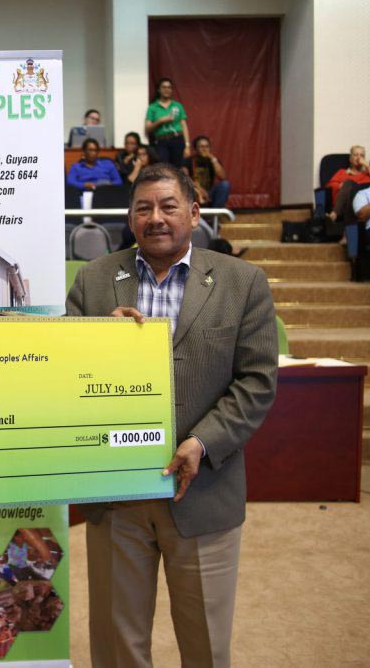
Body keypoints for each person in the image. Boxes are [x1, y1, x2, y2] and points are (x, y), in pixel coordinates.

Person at [66, 162, 278, 668]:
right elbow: (63, 371)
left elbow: (257, 381)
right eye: (143, 207)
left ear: (194, 212)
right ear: (130, 216)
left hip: (203, 491)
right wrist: (98, 339)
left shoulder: (242, 281)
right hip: (118, 495)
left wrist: (202, 443)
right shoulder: (94, 280)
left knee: (205, 642)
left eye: (168, 206)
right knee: (119, 646)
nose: (155, 218)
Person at [145, 77, 191, 167]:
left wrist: (187, 146)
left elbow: (184, 126)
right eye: (164, 87)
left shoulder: (178, 105)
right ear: (159, 89)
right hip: (161, 141)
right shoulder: (153, 107)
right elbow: (147, 128)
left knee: (177, 170)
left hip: (177, 139)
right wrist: (160, 121)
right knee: (164, 169)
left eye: (169, 87)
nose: (167, 90)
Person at [327, 145, 370, 224]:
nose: (359, 158)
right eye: (356, 155)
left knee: (350, 184)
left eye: (361, 155)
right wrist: (340, 186)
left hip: (365, 205)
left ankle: (334, 214)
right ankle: (335, 214)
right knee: (348, 183)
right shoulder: (342, 172)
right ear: (350, 159)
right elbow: (330, 185)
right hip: (346, 205)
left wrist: (367, 166)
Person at [185, 135, 231, 208]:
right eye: (201, 147)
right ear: (195, 149)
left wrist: (213, 159)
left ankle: (215, 214)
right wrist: (199, 189)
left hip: (209, 192)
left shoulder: (213, 161)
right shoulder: (188, 161)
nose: (205, 149)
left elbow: (222, 177)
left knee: (225, 185)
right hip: (194, 191)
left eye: (207, 146)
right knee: (190, 190)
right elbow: (184, 178)